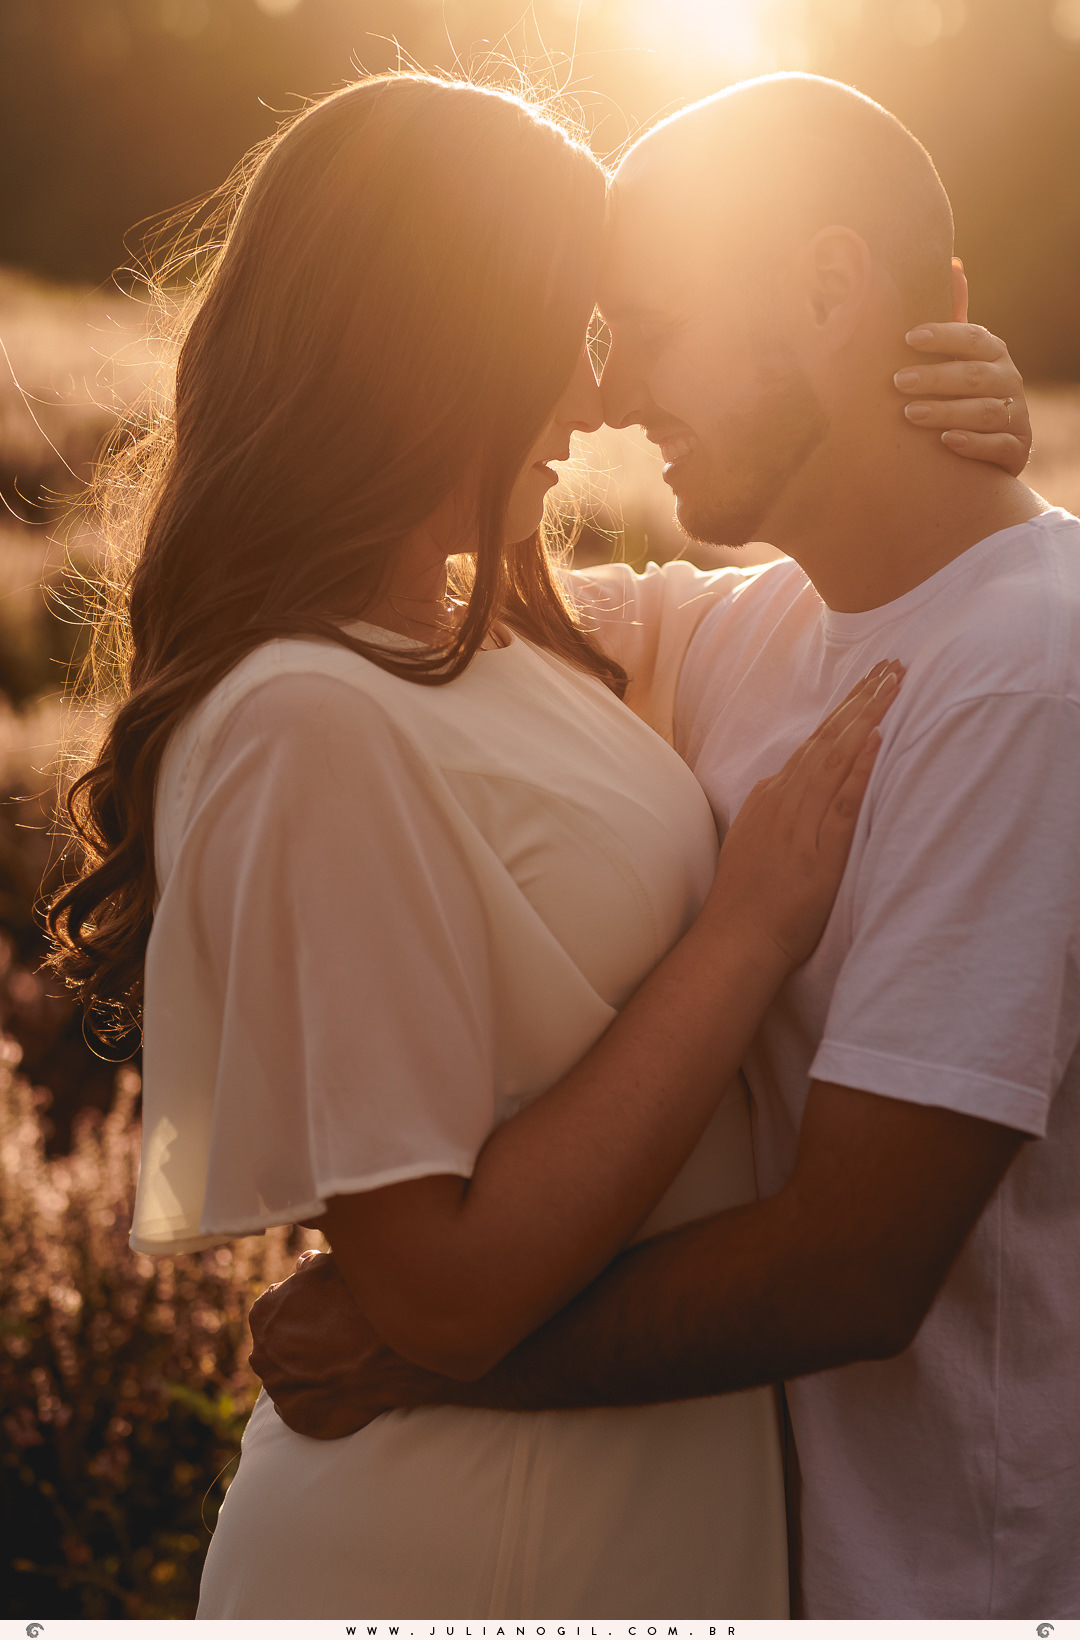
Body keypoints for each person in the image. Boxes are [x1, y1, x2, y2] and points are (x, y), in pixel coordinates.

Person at [48, 75, 1031, 1620]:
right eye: (575, 331)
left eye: (631, 328)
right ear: (432, 343)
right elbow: (437, 1288)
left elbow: (907, 583)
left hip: (687, 1523)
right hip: (474, 1541)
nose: (602, 396)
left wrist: (945, 418)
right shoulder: (344, 702)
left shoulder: (544, 649)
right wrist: (742, 934)